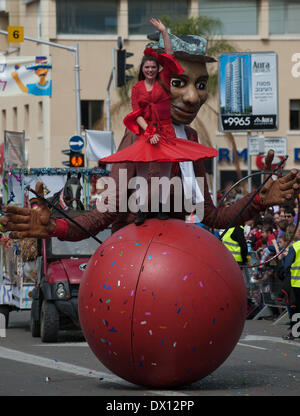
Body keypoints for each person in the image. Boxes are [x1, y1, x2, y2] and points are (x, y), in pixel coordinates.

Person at [1, 32, 300, 241]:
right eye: (179, 82)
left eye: (200, 84)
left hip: (178, 262)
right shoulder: (137, 140)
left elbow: (212, 216)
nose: (193, 97)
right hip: (134, 268)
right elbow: (103, 215)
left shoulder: (190, 139)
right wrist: (55, 227)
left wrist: (260, 198)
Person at [100, 18, 217, 225]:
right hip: (148, 136)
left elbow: (169, 57)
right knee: (145, 176)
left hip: (166, 136)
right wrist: (148, 132)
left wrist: (164, 32)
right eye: (147, 68)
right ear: (142, 70)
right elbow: (136, 113)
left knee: (163, 176)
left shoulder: (189, 133)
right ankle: (143, 211)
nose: (193, 98)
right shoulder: (138, 90)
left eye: (154, 67)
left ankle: (161, 208)